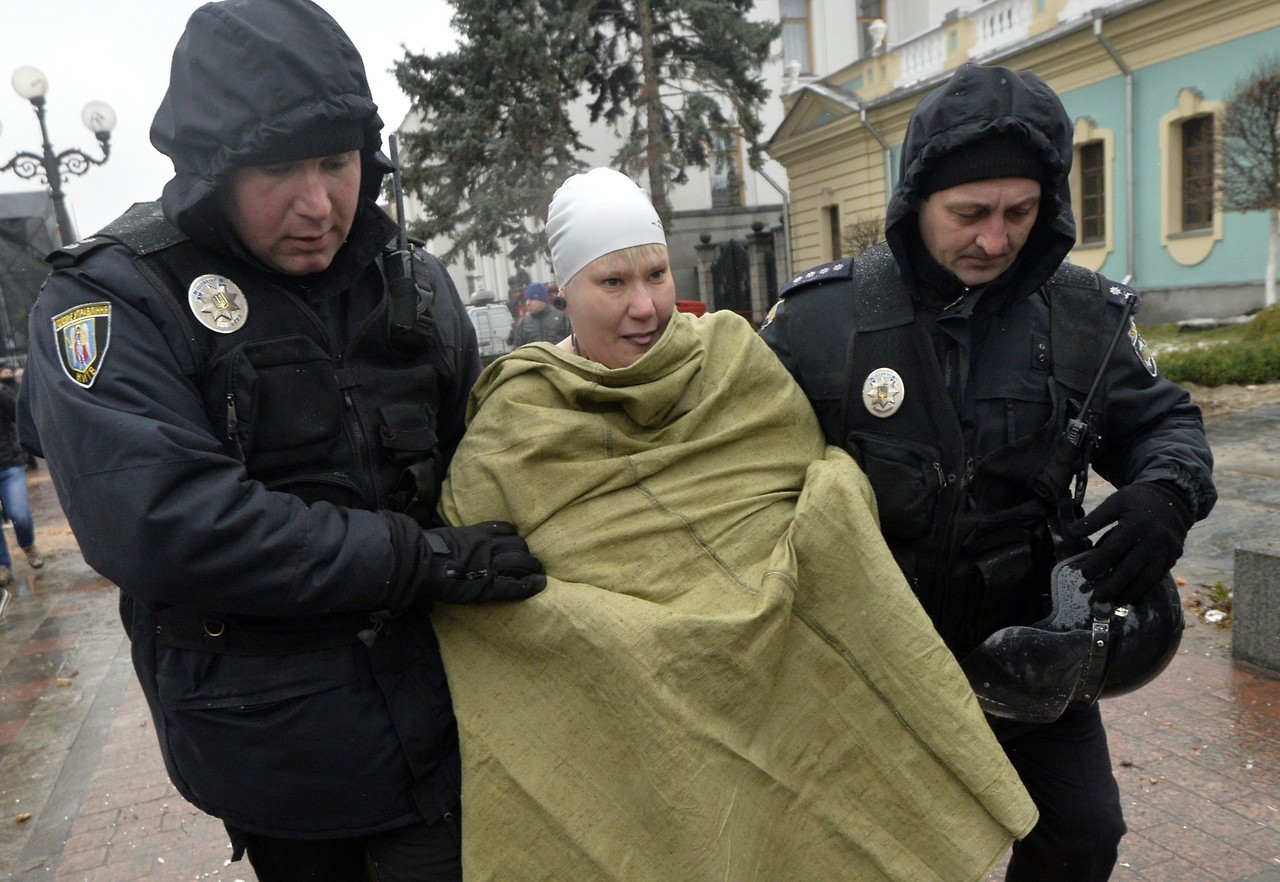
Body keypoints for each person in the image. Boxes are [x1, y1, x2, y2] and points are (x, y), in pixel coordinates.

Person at [15, 1, 545, 880]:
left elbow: (485, 455)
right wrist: (417, 559)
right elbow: (163, 521)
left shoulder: (409, 280)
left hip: (449, 726)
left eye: (337, 163)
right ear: (211, 170)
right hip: (275, 752)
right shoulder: (111, 298)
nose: (318, 203)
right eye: (278, 169)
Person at [430, 167, 1038, 880]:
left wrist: (830, 500)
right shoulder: (516, 419)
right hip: (647, 732)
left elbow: (800, 472)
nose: (645, 306)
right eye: (612, 283)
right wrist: (629, 638)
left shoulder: (730, 357)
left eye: (655, 274)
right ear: (563, 289)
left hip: (784, 695)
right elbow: (478, 594)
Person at [761, 63, 1216, 882]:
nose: (996, 240)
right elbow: (738, 471)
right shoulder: (819, 324)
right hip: (870, 661)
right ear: (916, 202)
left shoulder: (1085, 318)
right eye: (969, 214)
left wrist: (1166, 493)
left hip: (1026, 651)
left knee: (1083, 834)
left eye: (1021, 212)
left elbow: (1166, 424)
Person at [0, 365, 42, 589]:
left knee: (20, 515)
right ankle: (2, 565)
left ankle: (28, 544)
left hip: (8, 464)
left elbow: (17, 413)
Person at [508, 280, 570, 346]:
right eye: (526, 299)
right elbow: (518, 350)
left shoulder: (562, 317)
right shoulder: (523, 324)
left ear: (542, 299)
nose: (527, 303)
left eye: (532, 299)